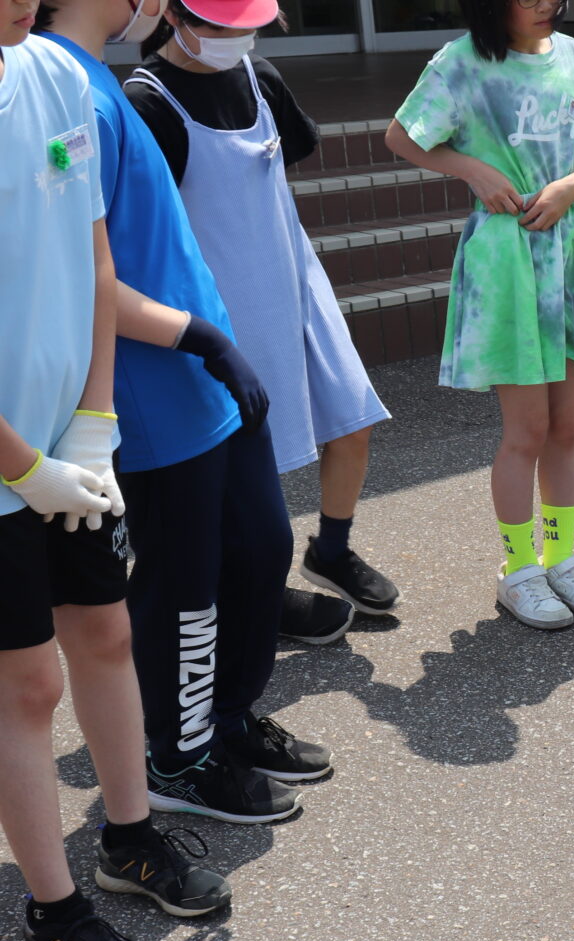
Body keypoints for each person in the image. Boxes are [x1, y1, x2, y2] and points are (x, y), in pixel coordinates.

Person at [37, 0, 318, 825]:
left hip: (204, 379)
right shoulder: (71, 95)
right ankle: (180, 755)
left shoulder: (94, 80)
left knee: (262, 551)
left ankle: (223, 722)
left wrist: (215, 345)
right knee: (185, 591)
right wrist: (198, 335)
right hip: (155, 390)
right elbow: (79, 273)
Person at [1, 18, 231, 941]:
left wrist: (94, 423)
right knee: (23, 687)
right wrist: (27, 469)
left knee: (103, 632)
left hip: (66, 440)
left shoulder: (55, 74)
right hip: (7, 465)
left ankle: (128, 839)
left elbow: (94, 256)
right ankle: (51, 918)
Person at [124, 0, 400, 631]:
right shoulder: (147, 101)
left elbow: (288, 159)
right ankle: (257, 594)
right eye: (223, 23)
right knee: (249, 462)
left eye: (246, 22)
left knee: (351, 416)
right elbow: (149, 228)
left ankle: (331, 548)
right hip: (219, 298)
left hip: (292, 272)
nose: (236, 36)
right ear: (177, 15)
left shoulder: (260, 76)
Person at [387, 0, 574, 630]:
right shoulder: (463, 61)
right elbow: (401, 134)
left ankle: (562, 558)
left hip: (568, 250)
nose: (547, 4)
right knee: (527, 429)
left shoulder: (572, 56)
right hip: (507, 257)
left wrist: (572, 185)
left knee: (566, 427)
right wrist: (471, 168)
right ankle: (520, 571)